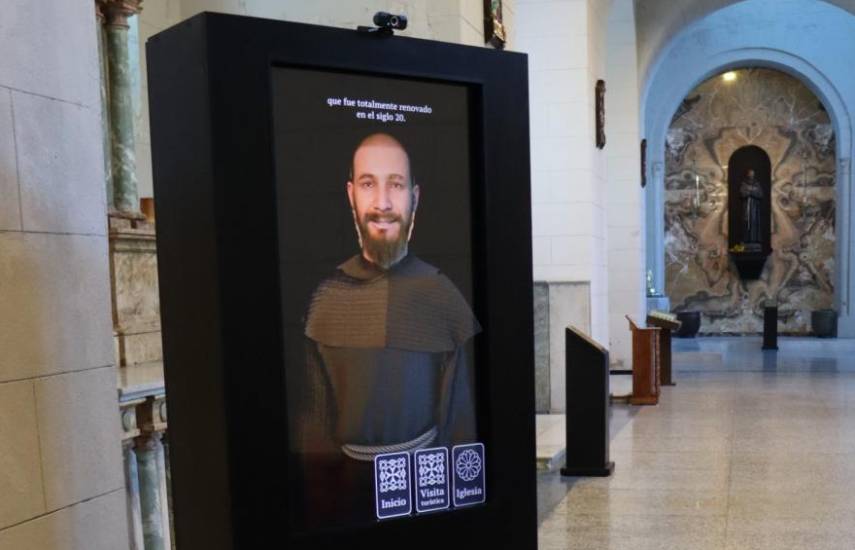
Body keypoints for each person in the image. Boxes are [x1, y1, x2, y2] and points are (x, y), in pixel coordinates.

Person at [293, 132, 480, 526]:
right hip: (344, 493)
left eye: (395, 184)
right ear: (351, 195)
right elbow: (313, 423)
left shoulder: (442, 295)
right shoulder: (326, 298)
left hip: (426, 490)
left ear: (414, 196)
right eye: (368, 184)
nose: (382, 203)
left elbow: (461, 421)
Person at [740, 168, 763, 244]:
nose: (751, 175)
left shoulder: (757, 184)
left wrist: (750, 191)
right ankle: (746, 240)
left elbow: (760, 194)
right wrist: (752, 191)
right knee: (746, 222)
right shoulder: (744, 183)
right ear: (747, 174)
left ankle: (754, 240)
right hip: (746, 206)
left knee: (754, 222)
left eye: (752, 173)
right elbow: (742, 193)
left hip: (755, 207)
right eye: (750, 173)